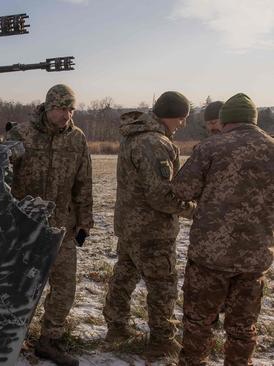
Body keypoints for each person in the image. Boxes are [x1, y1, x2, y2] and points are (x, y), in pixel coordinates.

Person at [173, 93, 274, 366]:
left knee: (198, 322)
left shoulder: (211, 147)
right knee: (243, 328)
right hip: (254, 259)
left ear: (227, 120)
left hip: (210, 256)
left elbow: (182, 189)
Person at [102, 91, 195, 362]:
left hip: (130, 226)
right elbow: (160, 196)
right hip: (152, 230)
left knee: (124, 275)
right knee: (163, 284)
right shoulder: (155, 142)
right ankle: (162, 340)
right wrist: (191, 210)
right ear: (174, 116)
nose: (182, 125)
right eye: (182, 119)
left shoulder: (134, 136)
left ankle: (116, 327)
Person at [6, 84, 93, 366]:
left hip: (61, 227)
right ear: (48, 106)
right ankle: (8, 336)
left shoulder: (77, 139)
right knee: (18, 284)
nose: (66, 114)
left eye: (71, 109)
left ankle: (49, 341)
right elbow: (2, 176)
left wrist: (84, 221)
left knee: (65, 285)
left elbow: (83, 183)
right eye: (61, 108)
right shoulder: (22, 133)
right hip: (25, 225)